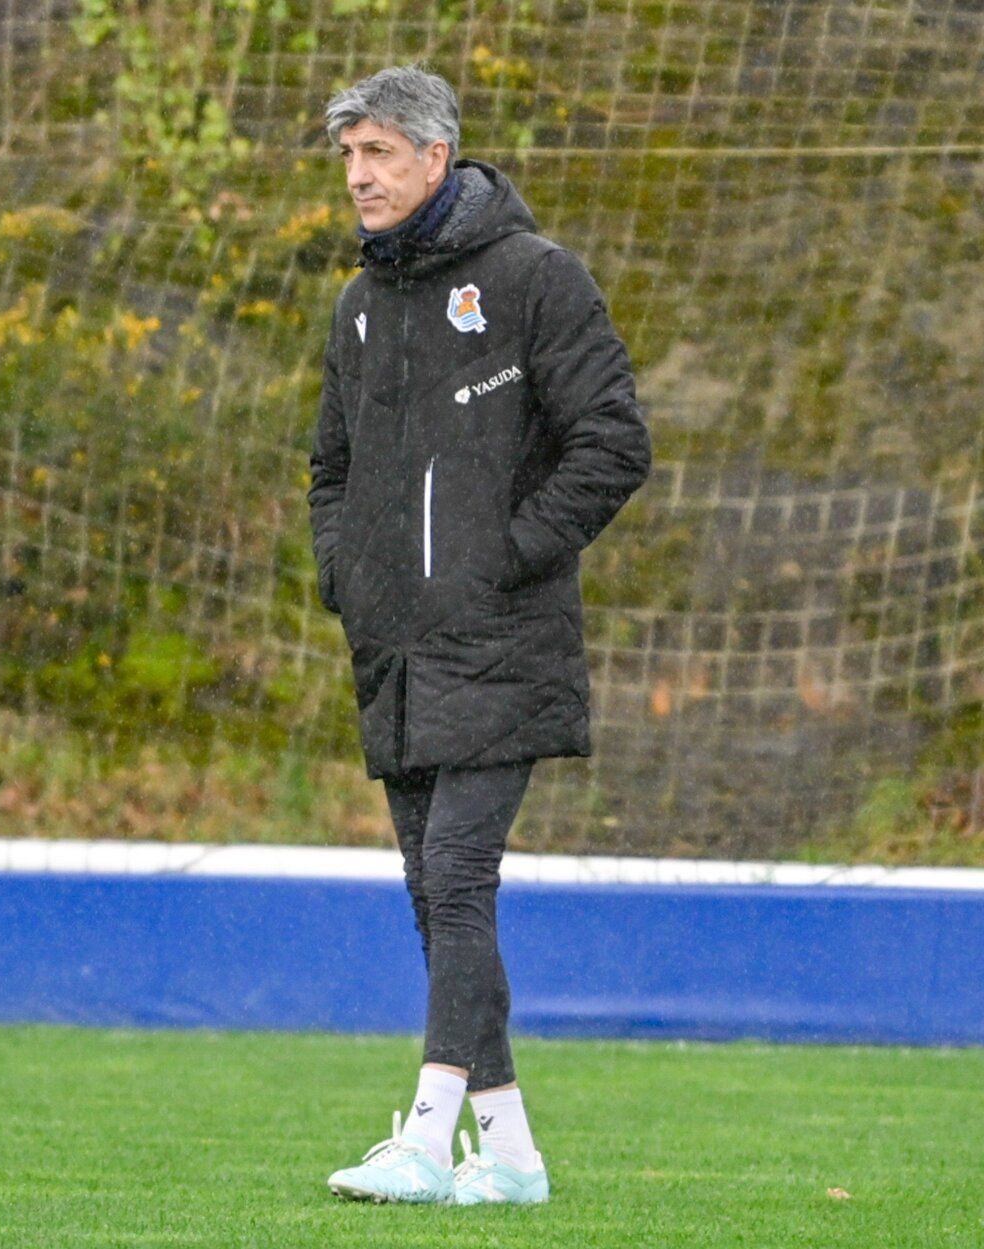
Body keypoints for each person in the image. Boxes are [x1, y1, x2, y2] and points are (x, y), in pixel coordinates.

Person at [307, 63, 651, 1207]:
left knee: (456, 875)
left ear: (437, 159)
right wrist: (348, 579)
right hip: (395, 647)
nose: (358, 175)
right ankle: (507, 1152)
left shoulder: (534, 280)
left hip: (502, 639)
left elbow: (615, 443)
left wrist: (501, 561)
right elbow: (331, 471)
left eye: (380, 153)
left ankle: (422, 1134)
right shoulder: (359, 305)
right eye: (349, 155)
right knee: (432, 892)